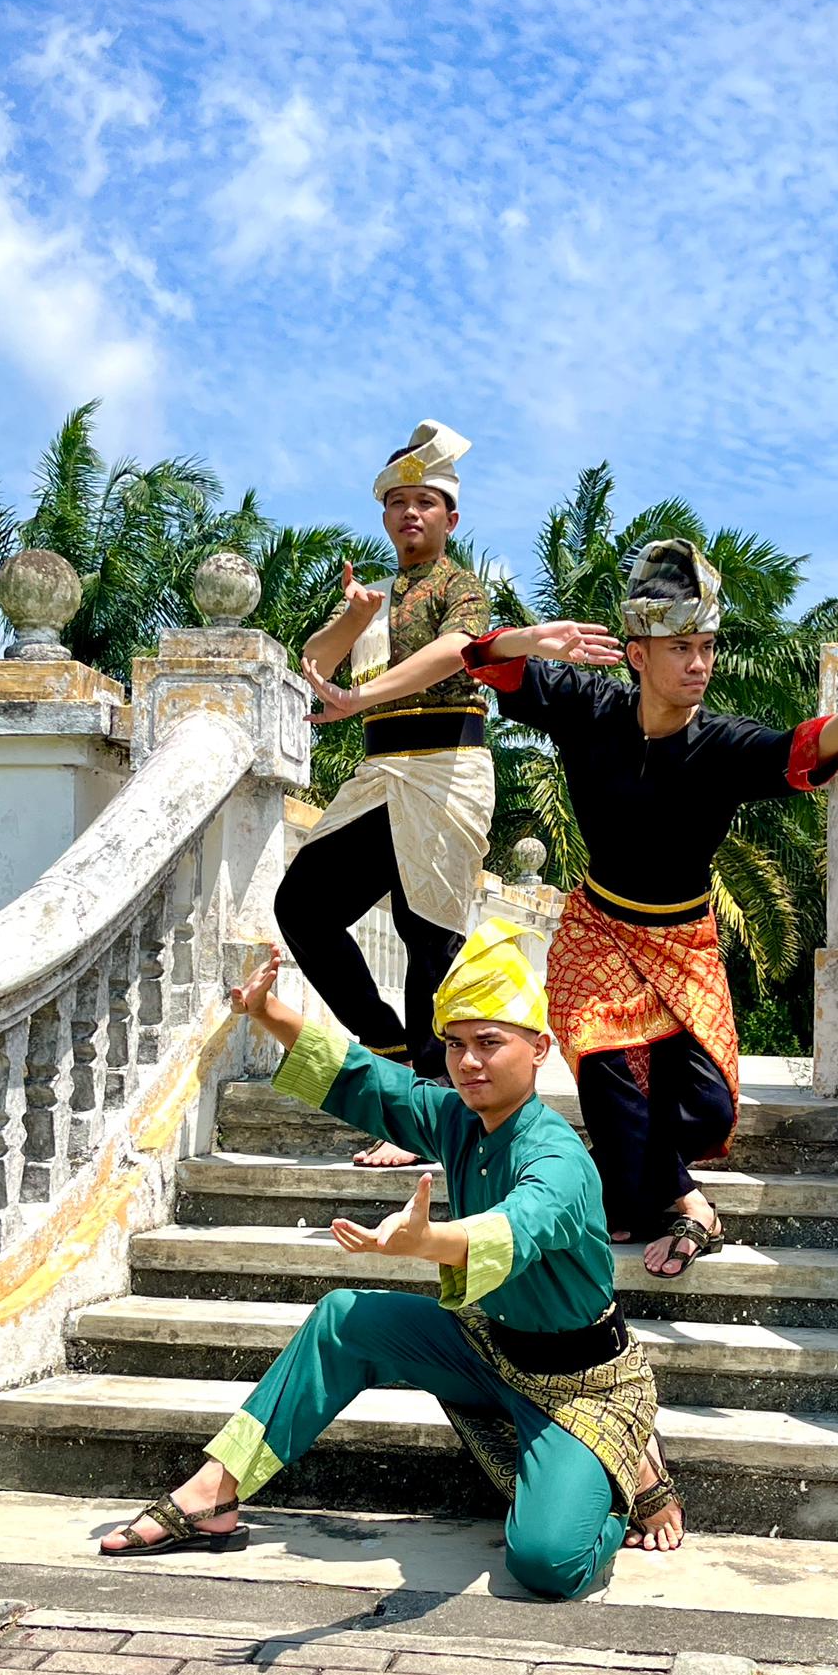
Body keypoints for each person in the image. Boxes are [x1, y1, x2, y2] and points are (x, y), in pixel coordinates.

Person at [312, 536, 838, 1274]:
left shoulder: (721, 745)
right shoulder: (590, 709)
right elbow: (491, 663)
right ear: (636, 654)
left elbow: (802, 753)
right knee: (608, 1064)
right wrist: (532, 638)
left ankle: (624, 1178)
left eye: (707, 647)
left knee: (709, 1112)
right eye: (681, 647)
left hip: (684, 942)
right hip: (596, 929)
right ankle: (685, 1203)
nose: (698, 663)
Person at [99, 917, 684, 1574]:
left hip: (582, 1385)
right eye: (456, 1044)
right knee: (345, 1319)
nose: (468, 1062)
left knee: (548, 1563)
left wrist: (427, 1240)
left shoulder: (557, 1156)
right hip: (490, 1348)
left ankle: (627, 1472)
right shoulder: (460, 1120)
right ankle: (215, 1490)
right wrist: (265, 1011)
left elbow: (516, 1227)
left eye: (489, 1043)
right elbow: (367, 1083)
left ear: (540, 1048)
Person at [273, 420, 492, 1168]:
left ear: (449, 517)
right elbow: (315, 662)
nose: (410, 515)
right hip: (379, 775)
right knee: (301, 904)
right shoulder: (377, 592)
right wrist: (355, 618)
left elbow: (453, 654)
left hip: (448, 767)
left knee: (426, 930)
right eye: (398, 503)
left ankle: (427, 1109)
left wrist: (359, 699)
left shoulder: (465, 590)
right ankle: (388, 1045)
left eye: (424, 503)